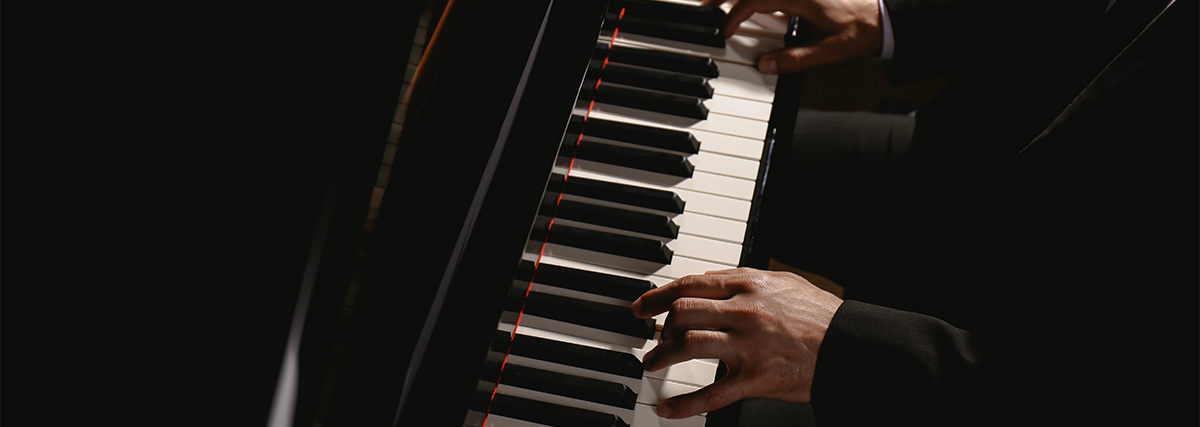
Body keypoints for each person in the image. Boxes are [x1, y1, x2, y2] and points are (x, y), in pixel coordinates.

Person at [631, 0, 1197, 425]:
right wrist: (894, 17)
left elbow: (1148, 389)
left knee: (658, 403)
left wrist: (842, 345)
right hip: (966, 169)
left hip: (1010, 372)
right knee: (662, 156)